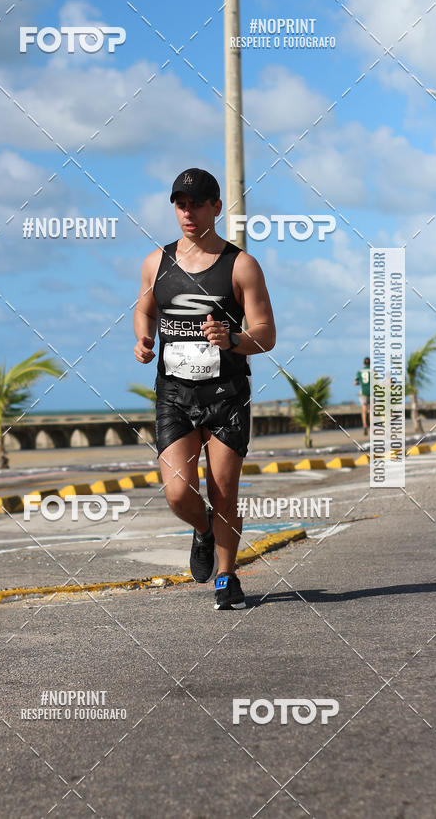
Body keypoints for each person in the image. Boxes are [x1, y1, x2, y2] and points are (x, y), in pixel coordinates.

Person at [134, 168, 276, 610]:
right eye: (181, 204)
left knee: (223, 492)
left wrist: (233, 339)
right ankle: (203, 529)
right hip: (175, 394)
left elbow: (267, 334)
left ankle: (227, 577)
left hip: (227, 395)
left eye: (197, 203)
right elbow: (144, 310)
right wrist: (143, 338)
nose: (188, 212)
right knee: (178, 492)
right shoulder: (157, 262)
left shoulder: (242, 266)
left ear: (217, 206)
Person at [354, 356, 372, 435]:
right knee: (371, 411)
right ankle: (371, 427)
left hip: (363, 393)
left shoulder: (359, 372)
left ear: (363, 363)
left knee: (364, 410)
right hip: (371, 393)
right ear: (370, 363)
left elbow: (355, 383)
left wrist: (360, 383)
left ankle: (365, 425)